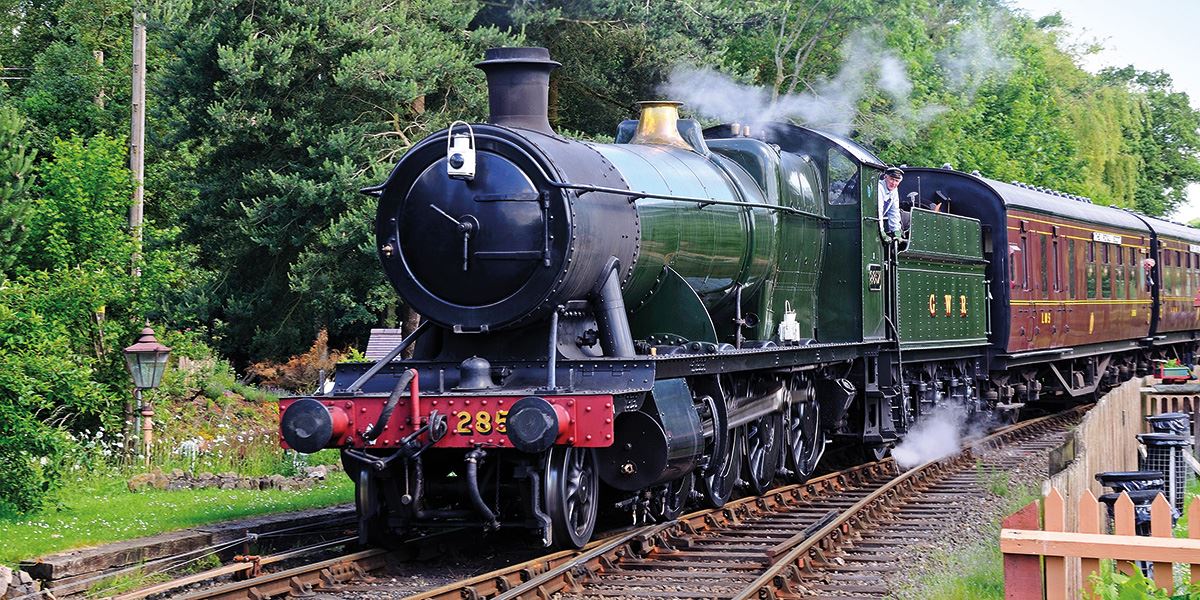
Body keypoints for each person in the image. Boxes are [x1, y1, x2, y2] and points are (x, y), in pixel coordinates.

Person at [878, 167, 903, 240]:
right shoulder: (879, 187)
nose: (894, 183)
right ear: (885, 177)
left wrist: (896, 231)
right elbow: (878, 210)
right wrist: (881, 231)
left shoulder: (894, 190)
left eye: (897, 181)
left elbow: (894, 211)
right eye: (892, 179)